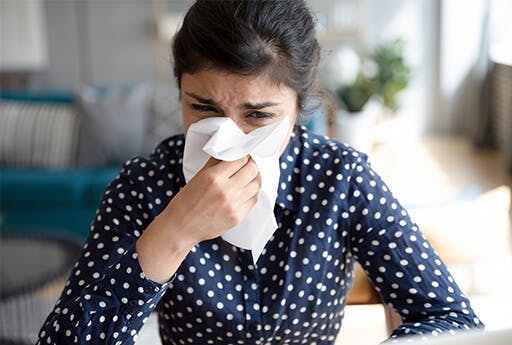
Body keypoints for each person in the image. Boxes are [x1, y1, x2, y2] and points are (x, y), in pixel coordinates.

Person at [37, 1, 483, 344]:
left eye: (258, 115)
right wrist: (173, 233)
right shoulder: (144, 188)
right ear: (178, 92)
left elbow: (453, 320)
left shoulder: (340, 180)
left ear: (299, 107)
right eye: (203, 108)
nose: (225, 139)